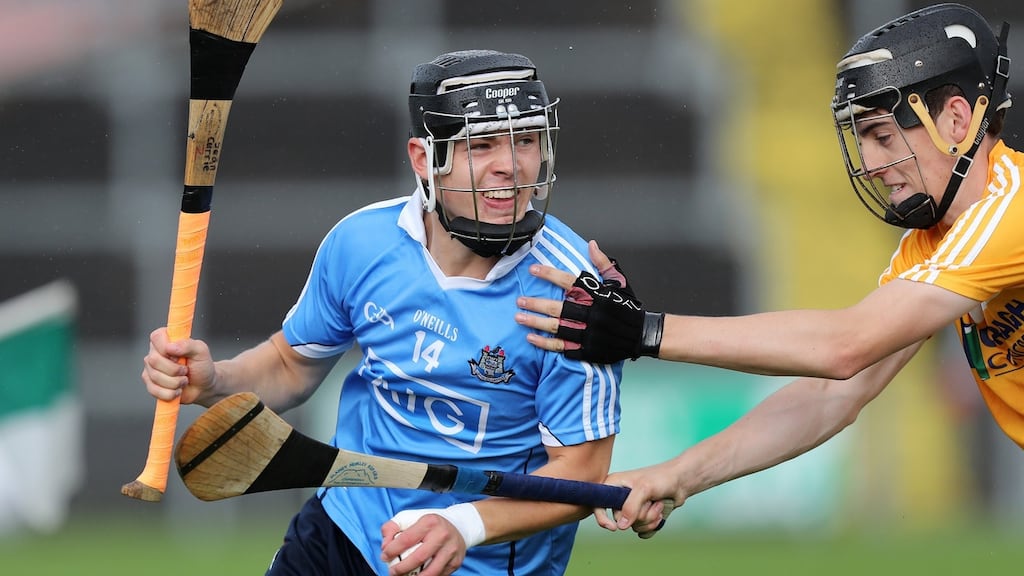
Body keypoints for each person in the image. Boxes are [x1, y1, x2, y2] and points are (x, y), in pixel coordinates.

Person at [514, 3, 1019, 537]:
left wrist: (643, 331)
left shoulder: (1008, 213)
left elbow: (846, 346)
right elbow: (833, 392)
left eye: (882, 135)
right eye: (863, 139)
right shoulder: (934, 241)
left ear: (958, 121)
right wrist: (679, 474)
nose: (871, 163)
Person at [142, 49, 624, 575]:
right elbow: (290, 366)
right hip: (345, 527)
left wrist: (462, 525)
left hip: (475, 560)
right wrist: (214, 381)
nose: (510, 165)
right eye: (480, 145)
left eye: (525, 141)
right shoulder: (363, 243)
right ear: (424, 157)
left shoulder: (576, 293)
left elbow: (582, 476)